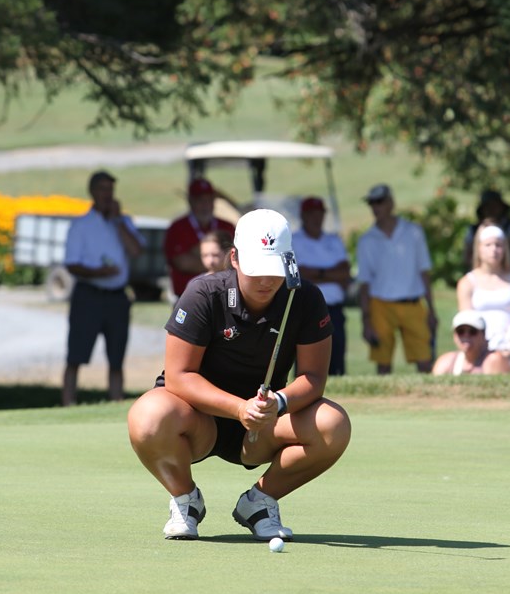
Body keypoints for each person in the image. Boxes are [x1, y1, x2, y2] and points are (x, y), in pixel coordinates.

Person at [127, 208, 351, 541]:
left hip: (263, 426)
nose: (266, 281)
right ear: (234, 258)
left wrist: (279, 402)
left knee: (333, 424)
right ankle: (186, 500)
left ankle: (259, 502)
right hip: (197, 419)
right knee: (148, 417)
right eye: (256, 269)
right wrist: (238, 408)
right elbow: (178, 376)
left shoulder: (304, 298)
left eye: (274, 270)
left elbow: (313, 377)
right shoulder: (203, 294)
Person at [62, 171, 145, 406]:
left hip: (117, 297)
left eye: (110, 190)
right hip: (88, 295)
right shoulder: (81, 225)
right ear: (92, 192)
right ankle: (68, 403)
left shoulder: (123, 222)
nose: (107, 195)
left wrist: (118, 222)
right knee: (76, 355)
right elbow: (72, 264)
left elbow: (136, 251)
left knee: (117, 357)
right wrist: (99, 272)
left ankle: (116, 401)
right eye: (102, 189)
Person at [356, 184, 437, 374]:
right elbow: (364, 283)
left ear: (391, 203)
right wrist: (366, 320)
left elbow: (424, 272)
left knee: (424, 361)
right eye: (372, 203)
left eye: (379, 202)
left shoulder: (414, 232)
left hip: (413, 304)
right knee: (383, 364)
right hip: (380, 306)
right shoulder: (366, 240)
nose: (375, 207)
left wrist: (431, 310)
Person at [456, 222, 510, 372]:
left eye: (498, 245)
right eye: (488, 245)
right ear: (479, 248)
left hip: (507, 347)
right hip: (476, 349)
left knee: (497, 363)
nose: (494, 250)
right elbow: (466, 324)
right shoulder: (467, 282)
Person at [291, 196, 351, 375]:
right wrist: (332, 273)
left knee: (336, 358)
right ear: (303, 216)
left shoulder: (334, 240)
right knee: (306, 363)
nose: (317, 218)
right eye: (312, 214)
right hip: (305, 309)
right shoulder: (294, 240)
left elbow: (345, 273)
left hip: (334, 309)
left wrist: (316, 273)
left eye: (320, 214)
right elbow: (298, 275)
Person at [165, 178, 234, 298]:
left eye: (209, 200)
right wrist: (221, 263)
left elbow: (236, 260)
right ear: (191, 201)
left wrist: (195, 254)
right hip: (186, 295)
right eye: (200, 200)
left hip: (224, 294)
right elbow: (182, 263)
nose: (205, 205)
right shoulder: (177, 227)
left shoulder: (227, 226)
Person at [432, 311, 510, 375]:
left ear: (483, 334)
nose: (466, 336)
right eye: (460, 332)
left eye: (472, 332)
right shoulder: (446, 362)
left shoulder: (494, 360)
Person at [462, 190, 510, 273]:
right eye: (488, 206)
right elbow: (467, 255)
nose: (492, 209)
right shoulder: (473, 229)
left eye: (495, 206)